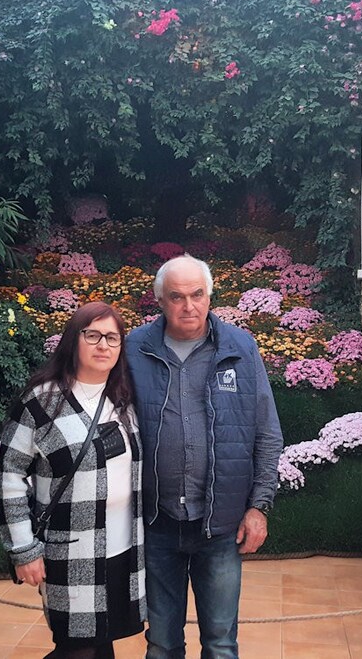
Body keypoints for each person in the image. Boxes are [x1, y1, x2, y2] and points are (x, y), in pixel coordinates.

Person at [125, 254, 283, 659]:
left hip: (221, 528)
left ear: (210, 296)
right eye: (176, 297)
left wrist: (259, 506)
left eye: (197, 295)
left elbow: (266, 432)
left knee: (220, 643)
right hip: (157, 524)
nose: (188, 306)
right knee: (161, 644)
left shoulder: (240, 348)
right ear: (159, 300)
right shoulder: (134, 350)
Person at [0, 302, 146, 659]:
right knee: (78, 648)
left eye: (112, 337)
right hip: (71, 549)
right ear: (73, 341)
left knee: (101, 642)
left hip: (123, 547)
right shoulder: (41, 402)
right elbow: (10, 477)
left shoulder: (124, 399)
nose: (103, 345)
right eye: (92, 335)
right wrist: (23, 549)